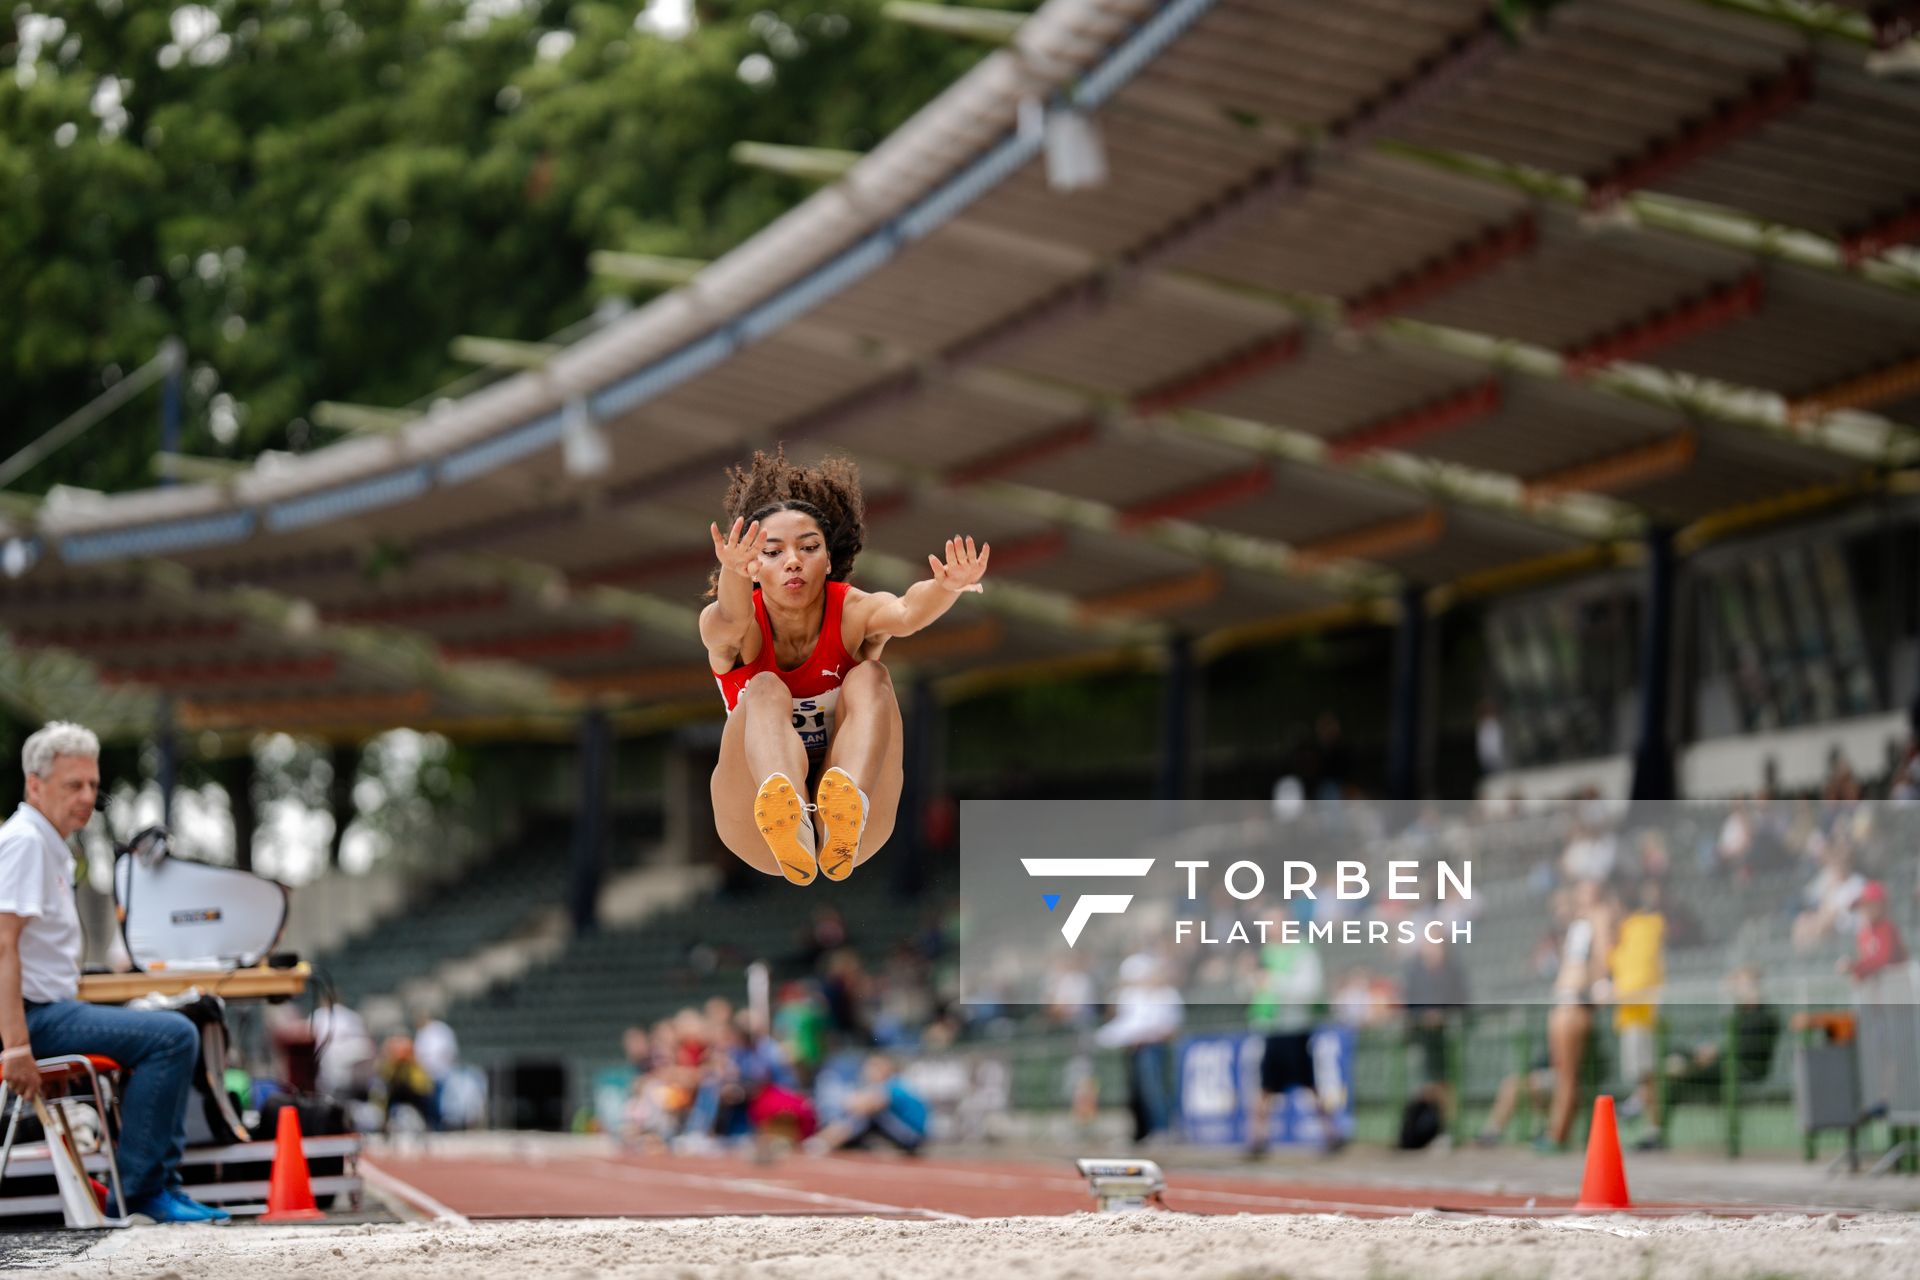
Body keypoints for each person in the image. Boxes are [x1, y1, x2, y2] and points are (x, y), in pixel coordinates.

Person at [703, 448, 989, 884]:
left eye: (809, 547)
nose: (794, 560)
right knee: (764, 687)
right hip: (755, 828)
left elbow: (908, 613)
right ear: (754, 567)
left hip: (859, 824)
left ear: (829, 560)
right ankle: (788, 814)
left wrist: (945, 587)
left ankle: (844, 804)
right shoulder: (734, 625)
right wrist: (732, 574)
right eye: (774, 552)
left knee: (872, 675)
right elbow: (731, 619)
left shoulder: (853, 612)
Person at [0, 722, 229, 1223]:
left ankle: (156, 1185)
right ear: (34, 785)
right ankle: (145, 1192)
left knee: (172, 1025)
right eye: (73, 785)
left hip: (48, 1008)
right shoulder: (25, 843)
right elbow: (2, 945)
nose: (87, 797)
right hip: (35, 1018)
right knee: (172, 1035)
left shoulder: (47, 843)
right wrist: (16, 1047)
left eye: (91, 785)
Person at [806, 1054, 930, 1154]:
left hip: (911, 1136)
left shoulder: (892, 1086)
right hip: (914, 1133)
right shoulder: (897, 1084)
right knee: (865, 1115)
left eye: (871, 1069)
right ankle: (828, 1141)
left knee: (866, 1116)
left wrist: (840, 1103)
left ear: (883, 1070)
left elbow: (862, 1105)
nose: (866, 1073)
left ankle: (824, 1142)